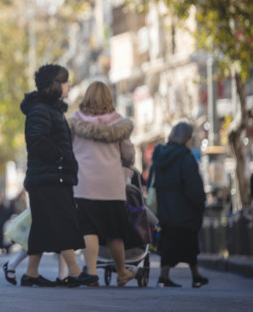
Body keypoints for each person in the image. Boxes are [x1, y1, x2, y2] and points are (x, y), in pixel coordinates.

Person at [19, 64, 97, 287]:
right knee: (64, 221)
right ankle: (75, 271)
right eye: (65, 81)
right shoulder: (40, 110)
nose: (69, 85)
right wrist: (61, 159)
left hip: (52, 176)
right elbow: (37, 141)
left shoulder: (51, 110)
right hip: (49, 177)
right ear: (54, 85)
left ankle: (31, 273)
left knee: (42, 226)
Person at [68, 81, 137, 287]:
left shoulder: (74, 122)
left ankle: (91, 274)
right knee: (115, 232)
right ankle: (122, 272)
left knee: (89, 229)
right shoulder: (119, 123)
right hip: (112, 186)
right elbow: (128, 154)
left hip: (83, 184)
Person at [149, 122, 208, 288]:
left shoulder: (159, 156)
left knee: (169, 243)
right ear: (187, 138)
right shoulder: (185, 157)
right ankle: (194, 275)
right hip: (184, 209)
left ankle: (166, 276)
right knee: (189, 242)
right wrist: (199, 203)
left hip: (164, 208)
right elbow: (193, 185)